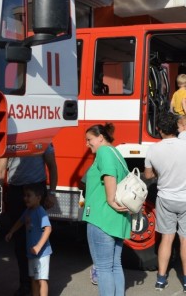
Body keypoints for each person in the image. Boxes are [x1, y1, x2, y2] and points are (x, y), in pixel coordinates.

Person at [144, 112, 186, 293]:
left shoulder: (153, 149)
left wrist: (160, 173)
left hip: (166, 199)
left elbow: (148, 175)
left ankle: (161, 280)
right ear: (176, 128)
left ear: (159, 130)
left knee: (166, 238)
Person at [0, 144, 58, 296]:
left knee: (37, 236)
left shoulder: (43, 136)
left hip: (36, 188)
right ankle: (25, 284)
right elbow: (0, 169)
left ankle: (39, 281)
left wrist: (51, 193)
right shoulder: (9, 139)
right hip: (16, 190)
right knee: (20, 241)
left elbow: (52, 165)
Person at [82, 123, 131, 296]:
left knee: (103, 268)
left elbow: (109, 174)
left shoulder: (104, 152)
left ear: (100, 138)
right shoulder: (117, 153)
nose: (87, 144)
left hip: (101, 218)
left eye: (89, 140)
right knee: (115, 265)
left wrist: (110, 199)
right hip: (117, 220)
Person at [5, 183, 52, 296]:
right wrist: (11, 232)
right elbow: (20, 221)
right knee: (34, 279)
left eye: (28, 195)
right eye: (24, 195)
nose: (25, 198)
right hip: (31, 253)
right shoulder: (28, 211)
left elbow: (48, 229)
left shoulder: (40, 212)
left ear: (38, 198)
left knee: (42, 279)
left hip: (42, 253)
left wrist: (38, 246)